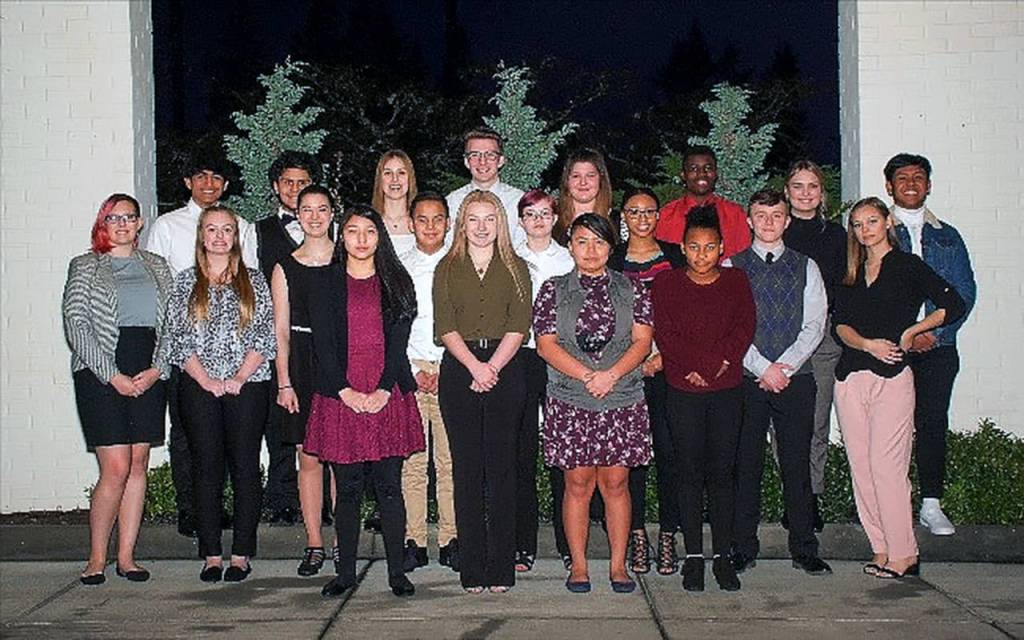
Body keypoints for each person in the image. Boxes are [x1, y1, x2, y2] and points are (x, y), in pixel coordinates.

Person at [832, 197, 965, 580]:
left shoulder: (907, 266)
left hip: (892, 377)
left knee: (887, 468)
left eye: (871, 221)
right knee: (862, 470)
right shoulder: (852, 270)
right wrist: (866, 344)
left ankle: (905, 553)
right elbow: (840, 325)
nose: (864, 230)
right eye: (857, 224)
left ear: (887, 221)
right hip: (851, 376)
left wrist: (912, 331)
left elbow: (952, 303)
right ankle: (882, 548)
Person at [303, 204, 424, 599]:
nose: (360, 240)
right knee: (348, 489)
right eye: (352, 231)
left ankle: (397, 574)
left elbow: (398, 346)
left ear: (379, 237)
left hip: (386, 391)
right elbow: (322, 345)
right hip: (341, 395)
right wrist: (345, 391)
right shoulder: (325, 284)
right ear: (343, 236)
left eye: (369, 232)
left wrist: (385, 390)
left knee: (390, 487)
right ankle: (345, 574)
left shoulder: (397, 281)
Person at [536, 214, 654, 594]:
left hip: (621, 395)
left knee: (617, 482)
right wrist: (589, 376)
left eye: (599, 242)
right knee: (577, 482)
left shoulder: (633, 289)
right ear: (570, 245)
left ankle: (619, 567)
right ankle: (580, 567)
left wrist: (611, 375)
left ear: (611, 247)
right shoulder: (552, 290)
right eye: (582, 241)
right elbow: (546, 344)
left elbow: (642, 342)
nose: (590, 250)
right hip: (571, 397)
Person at [63, 194, 174, 585]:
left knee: (139, 464)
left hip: (148, 367)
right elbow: (76, 323)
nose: (123, 224)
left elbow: (172, 322)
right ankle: (96, 558)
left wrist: (158, 367)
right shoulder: (85, 266)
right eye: (114, 217)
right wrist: (111, 374)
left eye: (129, 217)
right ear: (103, 223)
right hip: (100, 371)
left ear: (140, 223)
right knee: (115, 468)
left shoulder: (158, 266)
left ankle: (127, 557)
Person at [144, 152, 257, 538]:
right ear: (188, 182)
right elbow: (159, 288)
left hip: (239, 366)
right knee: (187, 438)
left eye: (216, 177)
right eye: (201, 175)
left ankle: (224, 513)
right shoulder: (166, 226)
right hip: (189, 359)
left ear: (225, 184)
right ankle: (191, 511)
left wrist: (242, 370)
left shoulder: (242, 226)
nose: (209, 183)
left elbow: (252, 292)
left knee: (232, 447)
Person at [166, 206, 276, 583]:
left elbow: (265, 335)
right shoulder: (184, 282)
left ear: (236, 236)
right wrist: (207, 380)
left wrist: (239, 377)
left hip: (248, 385)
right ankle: (212, 554)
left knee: (245, 466)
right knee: (206, 468)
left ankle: (241, 553)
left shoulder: (255, 281)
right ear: (201, 235)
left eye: (226, 230)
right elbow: (177, 339)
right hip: (199, 387)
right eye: (211, 229)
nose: (218, 236)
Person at [727, 189, 832, 577]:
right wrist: (762, 367)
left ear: (787, 221)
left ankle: (804, 548)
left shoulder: (807, 266)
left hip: (796, 379)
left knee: (796, 466)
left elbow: (815, 324)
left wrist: (784, 366)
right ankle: (742, 546)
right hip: (748, 379)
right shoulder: (731, 266)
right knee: (746, 464)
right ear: (749, 221)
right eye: (761, 215)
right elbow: (731, 326)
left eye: (776, 215)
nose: (769, 222)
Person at [652, 204, 755, 592]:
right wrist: (697, 366)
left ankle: (723, 556)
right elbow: (666, 332)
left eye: (709, 247)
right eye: (694, 247)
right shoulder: (667, 284)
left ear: (721, 248)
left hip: (726, 389)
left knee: (722, 475)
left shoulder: (737, 282)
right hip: (682, 389)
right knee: (689, 473)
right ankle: (693, 556)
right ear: (683, 247)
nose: (701, 255)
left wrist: (714, 366)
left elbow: (744, 328)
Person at [434, 190, 531, 593]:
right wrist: (474, 366)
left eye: (489, 219)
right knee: (467, 471)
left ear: (500, 223)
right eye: (473, 219)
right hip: (459, 370)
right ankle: (472, 567)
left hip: (506, 368)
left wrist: (491, 367)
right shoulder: (447, 267)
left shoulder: (516, 267)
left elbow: (519, 324)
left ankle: (501, 568)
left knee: (503, 470)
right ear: (462, 224)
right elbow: (444, 324)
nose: (481, 227)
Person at [885, 153, 976, 537]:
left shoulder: (947, 236)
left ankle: (931, 505)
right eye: (902, 178)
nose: (910, 184)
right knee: (892, 428)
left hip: (939, 347)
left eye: (918, 177)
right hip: (892, 347)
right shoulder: (877, 230)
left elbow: (964, 293)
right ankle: (892, 507)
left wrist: (934, 334)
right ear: (889, 186)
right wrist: (902, 335)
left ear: (928, 185)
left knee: (933, 421)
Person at [608, 187, 685, 576]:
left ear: (658, 216)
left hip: (669, 371)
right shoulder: (613, 259)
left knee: (670, 454)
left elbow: (691, 314)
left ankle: (668, 534)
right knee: (631, 459)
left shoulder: (676, 256)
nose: (641, 218)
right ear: (624, 215)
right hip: (625, 373)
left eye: (649, 211)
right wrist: (629, 363)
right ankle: (637, 533)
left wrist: (662, 357)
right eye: (634, 211)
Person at [271, 185, 339, 577]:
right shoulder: (285, 266)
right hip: (301, 365)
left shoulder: (346, 258)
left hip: (340, 364)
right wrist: (284, 381)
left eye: (322, 209)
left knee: (340, 460)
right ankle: (314, 541)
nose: (314, 216)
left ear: (332, 213)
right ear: (297, 214)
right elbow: (280, 330)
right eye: (307, 210)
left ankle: (340, 541)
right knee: (309, 457)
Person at [256, 150, 322, 527]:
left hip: (320, 339)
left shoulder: (327, 228)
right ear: (275, 187)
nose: (294, 189)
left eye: (302, 183)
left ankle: (324, 503)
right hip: (277, 337)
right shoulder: (259, 231)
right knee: (281, 422)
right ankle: (281, 499)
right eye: (287, 182)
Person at [782, 159, 847, 530]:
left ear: (822, 193)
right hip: (781, 340)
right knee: (786, 424)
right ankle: (793, 495)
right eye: (798, 186)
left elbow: (845, 285)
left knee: (817, 421)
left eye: (812, 186)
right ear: (788, 191)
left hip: (823, 341)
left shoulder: (837, 235)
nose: (805, 193)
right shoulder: (777, 231)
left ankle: (811, 498)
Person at [513, 189, 574, 572]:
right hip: (519, 358)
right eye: (530, 214)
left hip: (560, 361)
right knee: (521, 454)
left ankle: (570, 543)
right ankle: (523, 544)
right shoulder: (509, 257)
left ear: (555, 219)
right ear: (520, 221)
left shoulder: (568, 260)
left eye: (545, 214)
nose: (538, 220)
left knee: (561, 455)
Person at [397, 192, 460, 573]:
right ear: (410, 223)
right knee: (413, 462)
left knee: (450, 461)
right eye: (423, 219)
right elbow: (394, 327)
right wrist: (411, 371)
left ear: (449, 223)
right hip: (413, 369)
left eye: (438, 219)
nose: (431, 226)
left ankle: (451, 538)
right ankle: (414, 538)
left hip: (451, 367)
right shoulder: (400, 268)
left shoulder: (461, 264)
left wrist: (448, 368)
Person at [654, 146, 751, 260]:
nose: (702, 174)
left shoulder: (734, 214)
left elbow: (744, 259)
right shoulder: (665, 216)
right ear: (683, 175)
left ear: (715, 174)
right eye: (694, 169)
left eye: (708, 168)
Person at [446, 127, 525, 246]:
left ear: (501, 160)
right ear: (467, 162)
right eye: (475, 155)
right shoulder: (452, 202)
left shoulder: (519, 201)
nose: (482, 161)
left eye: (490, 155)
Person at [554, 148, 615, 244]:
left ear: (601, 179)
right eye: (576, 176)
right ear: (567, 181)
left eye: (590, 176)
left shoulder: (617, 222)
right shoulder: (552, 220)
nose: (583, 182)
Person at [372, 149, 419, 256]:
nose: (395, 179)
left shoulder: (421, 224)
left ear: (410, 178)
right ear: (380, 179)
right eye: (388, 173)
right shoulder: (370, 223)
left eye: (401, 173)